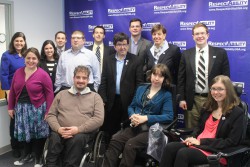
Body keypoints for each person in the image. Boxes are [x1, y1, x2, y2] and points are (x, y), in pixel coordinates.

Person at [160, 75, 244, 167]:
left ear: (228, 91)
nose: (216, 92)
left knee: (183, 153)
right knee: (170, 147)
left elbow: (231, 142)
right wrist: (192, 138)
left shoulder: (237, 113)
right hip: (198, 143)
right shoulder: (207, 107)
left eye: (220, 89)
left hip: (214, 150)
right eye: (213, 89)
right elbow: (199, 128)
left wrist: (201, 142)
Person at [101, 64, 174, 167]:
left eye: (160, 76)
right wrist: (133, 116)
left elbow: (168, 116)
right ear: (151, 75)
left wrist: (145, 118)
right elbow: (131, 106)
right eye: (154, 74)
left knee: (130, 145)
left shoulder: (166, 95)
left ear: (165, 78)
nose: (156, 78)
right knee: (115, 139)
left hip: (152, 130)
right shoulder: (141, 88)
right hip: (135, 125)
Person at [45, 65, 104, 167]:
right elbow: (51, 115)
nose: (81, 80)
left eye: (84, 78)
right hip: (60, 131)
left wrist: (78, 129)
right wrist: (58, 129)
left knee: (77, 139)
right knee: (54, 137)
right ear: (73, 78)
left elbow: (99, 119)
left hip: (82, 133)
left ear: (88, 80)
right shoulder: (61, 94)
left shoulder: (96, 97)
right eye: (78, 77)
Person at [178, 23, 230, 129]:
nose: (200, 36)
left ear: (207, 35)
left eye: (202, 33)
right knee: (191, 130)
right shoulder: (186, 54)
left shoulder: (220, 53)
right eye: (196, 34)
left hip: (214, 99)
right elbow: (181, 78)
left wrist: (224, 98)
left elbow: (226, 78)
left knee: (212, 130)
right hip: (192, 100)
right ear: (193, 36)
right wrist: (182, 98)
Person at [8, 47, 54, 167]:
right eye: (28, 58)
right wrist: (10, 107)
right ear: (24, 59)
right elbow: (12, 91)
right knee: (25, 134)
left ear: (38, 60)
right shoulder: (18, 72)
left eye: (34, 58)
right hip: (21, 109)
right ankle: (26, 155)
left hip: (38, 108)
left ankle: (38, 158)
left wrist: (48, 111)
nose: (31, 60)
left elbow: (49, 94)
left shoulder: (43, 74)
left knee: (38, 135)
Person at [98, 32, 144, 138]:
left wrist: (136, 101)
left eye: (125, 44)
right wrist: (103, 99)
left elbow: (139, 83)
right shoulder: (108, 60)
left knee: (126, 130)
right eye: (119, 44)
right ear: (114, 46)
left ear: (128, 45)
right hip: (111, 101)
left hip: (129, 102)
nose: (122, 47)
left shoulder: (136, 60)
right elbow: (103, 80)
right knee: (110, 129)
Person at [0, 32, 27, 158]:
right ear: (13, 41)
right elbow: (4, 74)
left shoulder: (26, 55)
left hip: (26, 92)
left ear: (24, 42)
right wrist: (7, 91)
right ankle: (15, 146)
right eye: (17, 41)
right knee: (15, 119)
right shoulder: (7, 55)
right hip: (13, 92)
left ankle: (23, 144)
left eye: (21, 41)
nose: (19, 43)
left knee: (25, 118)